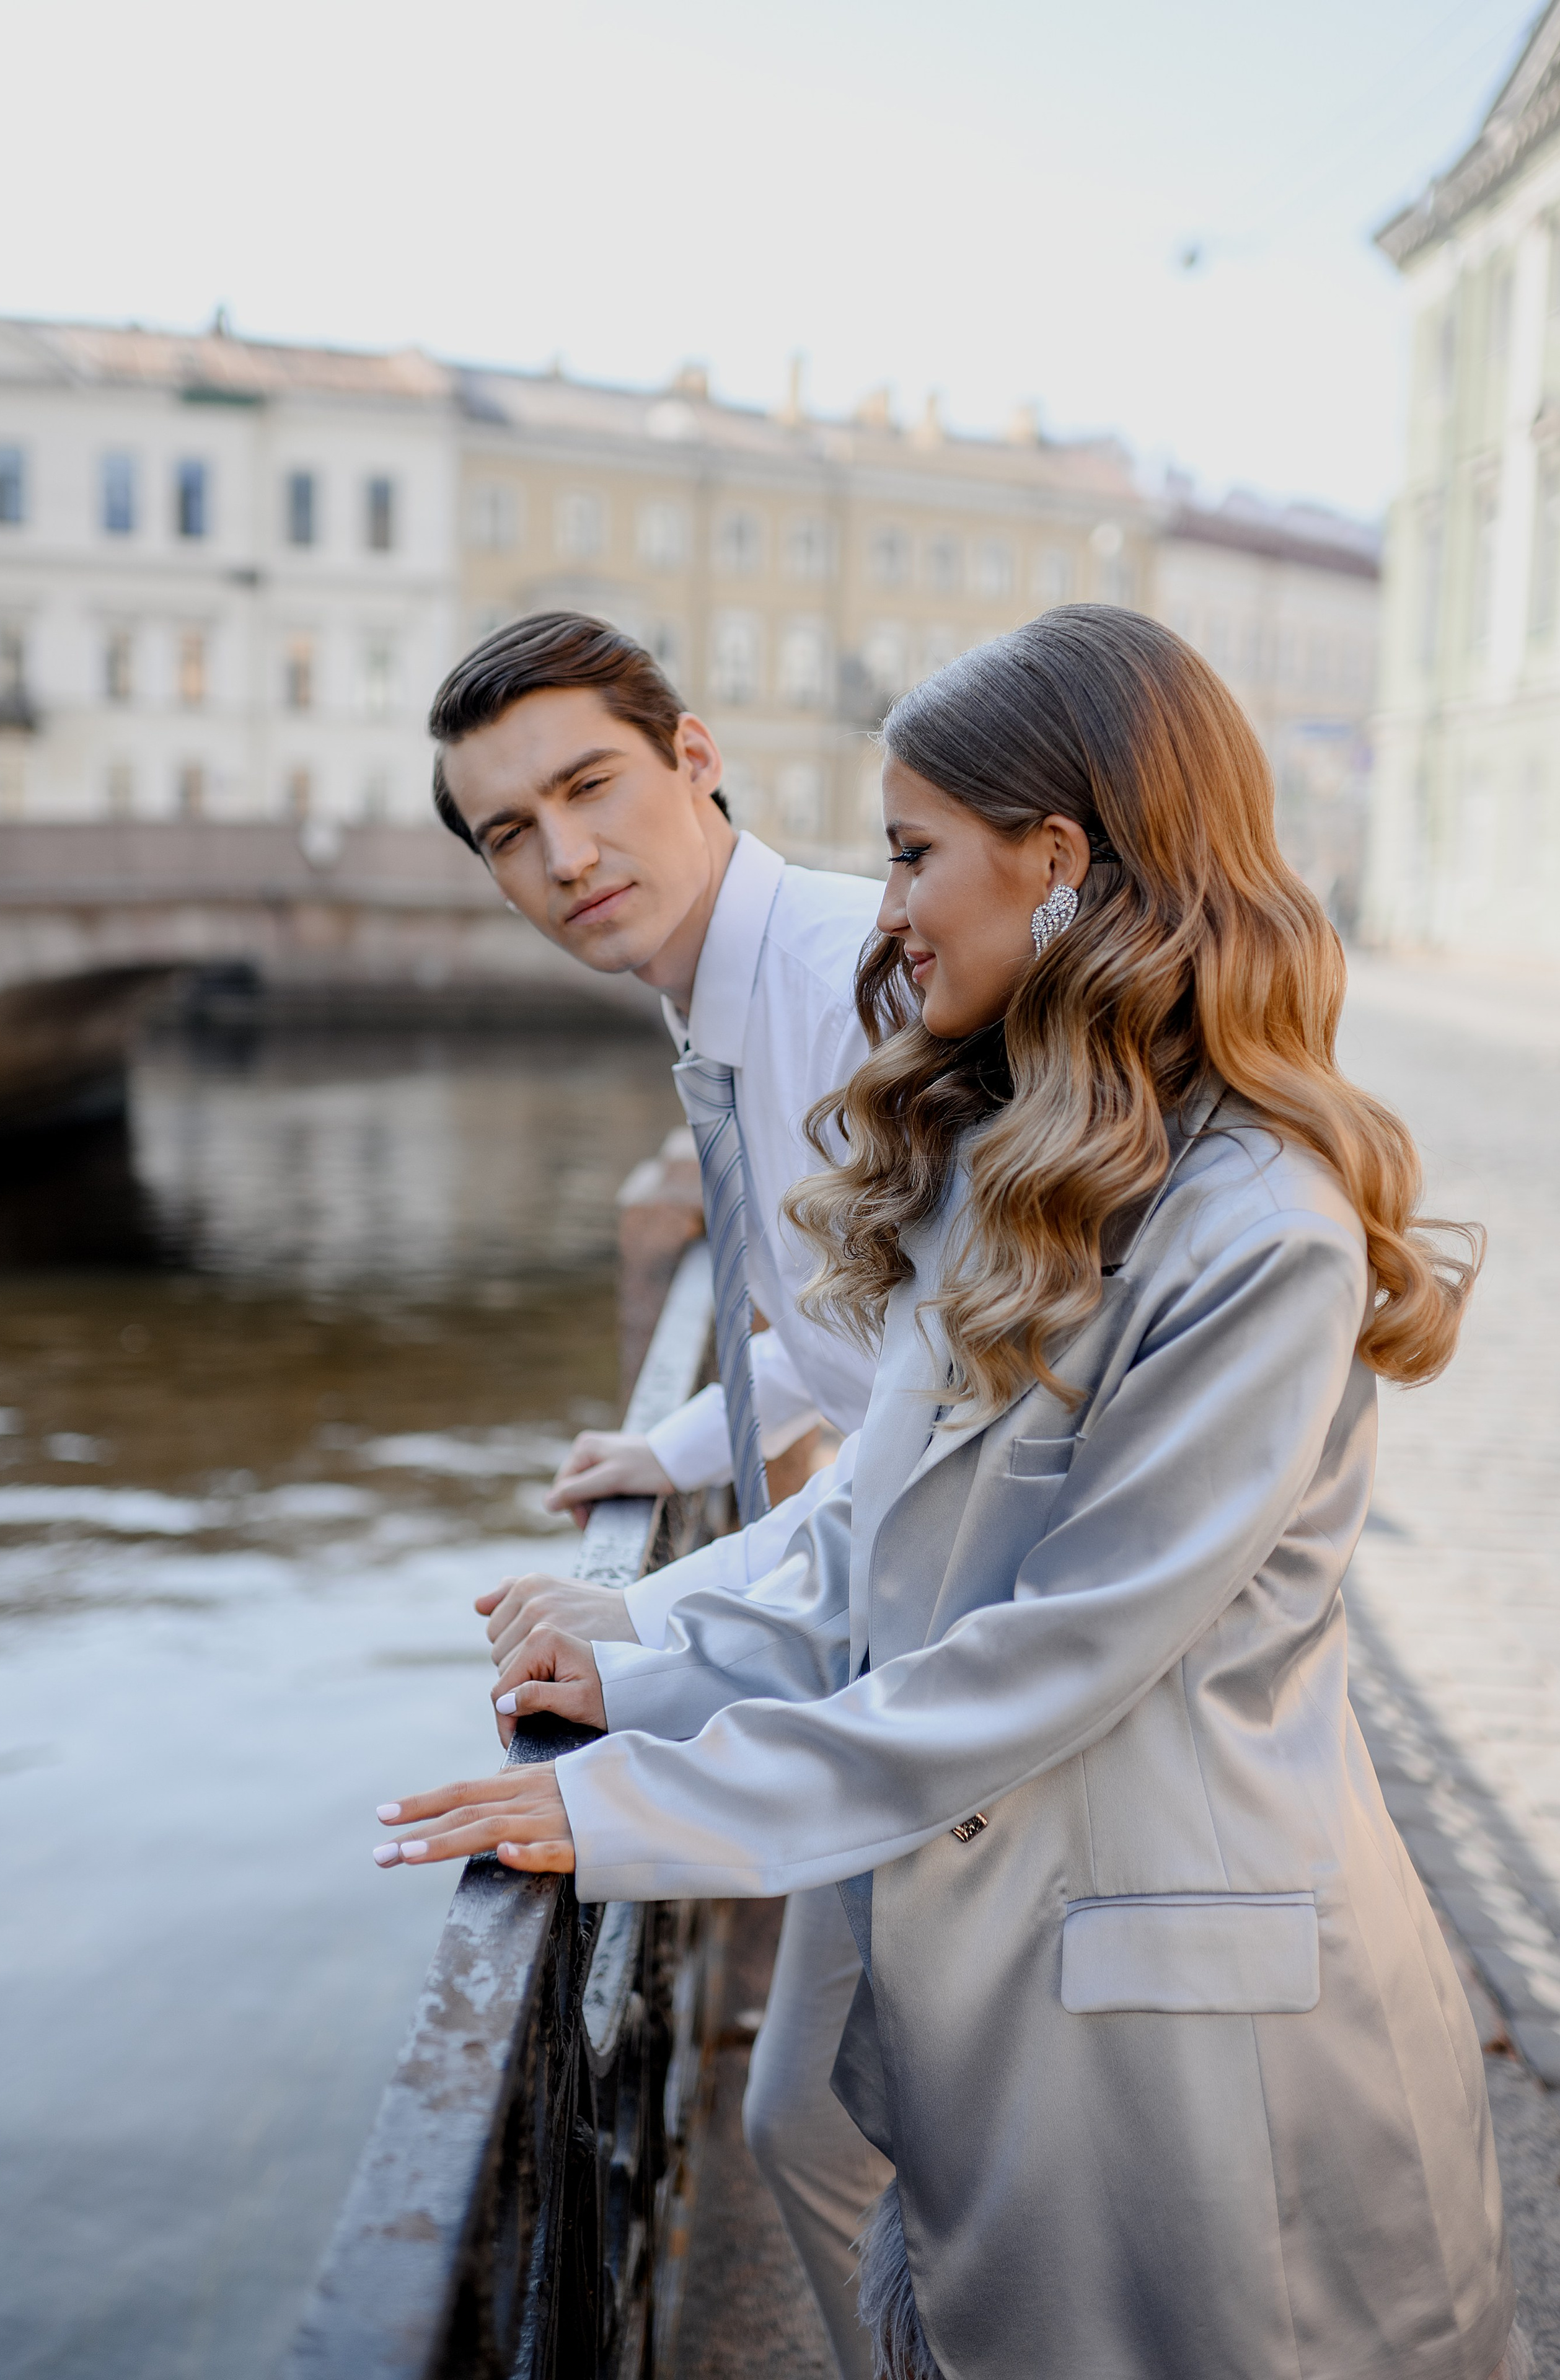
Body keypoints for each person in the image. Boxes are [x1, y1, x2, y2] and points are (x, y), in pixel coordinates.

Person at [382, 607, 1518, 2380]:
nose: (886, 905)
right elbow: (879, 1520)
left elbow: (1049, 1653)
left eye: (913, 851)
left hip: (1214, 2027)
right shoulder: (1044, 1158)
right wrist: (649, 1663)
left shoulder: (1261, 1231)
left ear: (1056, 863)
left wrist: (640, 1807)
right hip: (1045, 1948)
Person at [426, 611, 891, 2378]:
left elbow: (940, 1442)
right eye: (508, 837)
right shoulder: (727, 992)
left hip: (980, 1662)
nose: (563, 860)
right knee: (822, 2133)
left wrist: (653, 1624)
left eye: (589, 787)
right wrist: (684, 1450)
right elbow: (860, 1341)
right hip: (899, 1641)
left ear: (695, 756)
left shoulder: (861, 980)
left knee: (857, 2142)